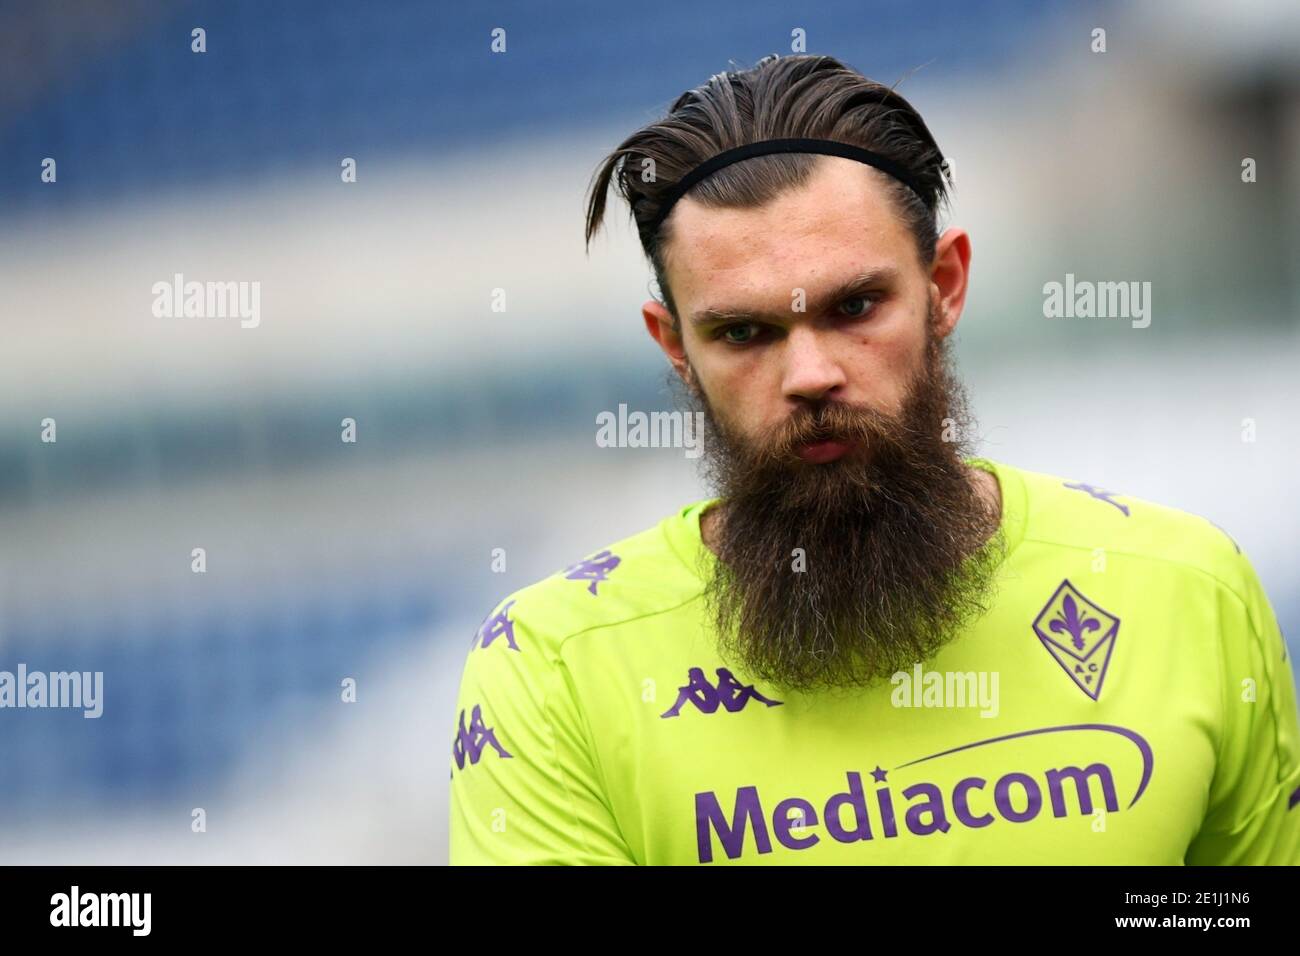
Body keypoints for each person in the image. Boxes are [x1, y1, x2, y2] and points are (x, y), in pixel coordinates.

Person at [448, 54, 1300, 864]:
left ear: (945, 287)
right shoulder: (554, 670)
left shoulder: (1188, 589)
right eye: (743, 332)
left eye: (855, 306)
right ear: (675, 347)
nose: (811, 374)